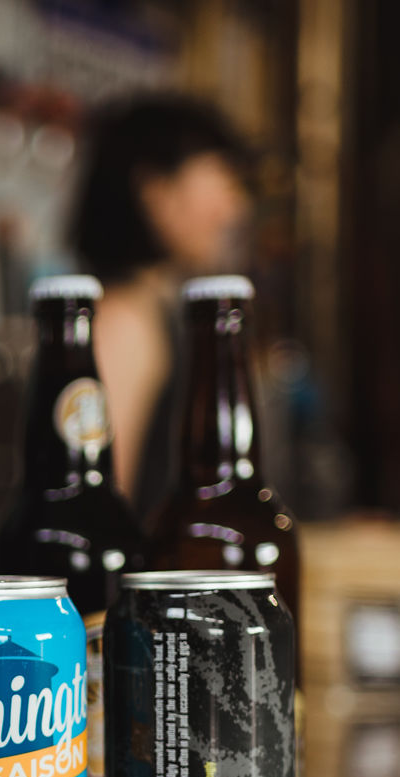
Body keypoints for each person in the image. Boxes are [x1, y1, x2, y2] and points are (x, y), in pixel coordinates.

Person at [73, 96, 254, 523]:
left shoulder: (156, 310)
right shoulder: (124, 321)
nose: (236, 208)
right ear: (155, 191)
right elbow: (102, 504)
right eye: (224, 181)